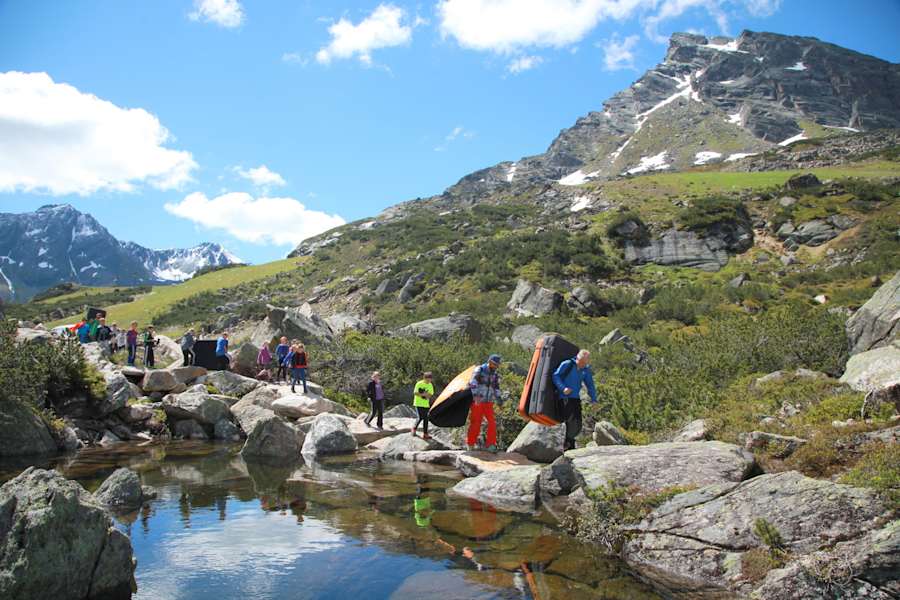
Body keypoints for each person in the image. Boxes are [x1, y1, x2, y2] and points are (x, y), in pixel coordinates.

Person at [552, 349, 598, 451]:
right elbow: (556, 376)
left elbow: (590, 385)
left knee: (578, 424)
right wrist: (563, 388)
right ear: (577, 358)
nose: (582, 365)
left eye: (584, 363)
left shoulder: (585, 370)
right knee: (570, 421)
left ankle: (569, 444)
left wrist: (594, 400)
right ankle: (567, 446)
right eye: (581, 362)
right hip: (564, 398)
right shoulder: (567, 364)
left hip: (575, 399)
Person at [467, 354, 503, 452]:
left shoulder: (495, 374)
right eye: (495, 364)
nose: (496, 366)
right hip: (478, 401)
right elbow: (472, 383)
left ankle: (490, 445)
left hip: (489, 402)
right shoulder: (480, 370)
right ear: (490, 362)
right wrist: (475, 396)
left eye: (497, 365)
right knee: (476, 423)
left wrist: (499, 398)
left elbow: (496, 387)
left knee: (492, 423)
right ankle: (470, 444)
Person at [411, 372, 434, 439]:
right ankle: (414, 429)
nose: (429, 381)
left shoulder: (430, 385)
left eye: (430, 379)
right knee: (420, 417)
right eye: (428, 379)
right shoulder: (419, 384)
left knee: (426, 418)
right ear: (424, 378)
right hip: (418, 403)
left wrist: (426, 395)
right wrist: (424, 394)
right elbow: (415, 393)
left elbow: (430, 394)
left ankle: (425, 434)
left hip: (426, 404)